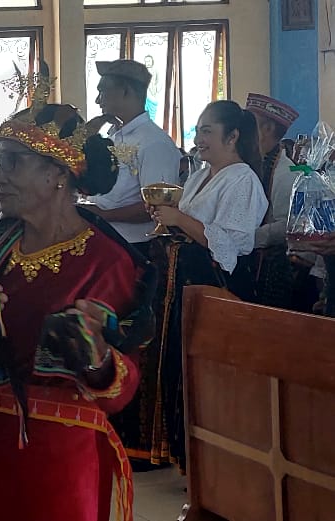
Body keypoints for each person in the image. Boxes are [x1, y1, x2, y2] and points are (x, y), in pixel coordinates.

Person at [0, 98, 155, 521]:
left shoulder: (108, 261)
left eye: (12, 163)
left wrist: (96, 358)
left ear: (57, 173)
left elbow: (124, 386)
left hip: (58, 456)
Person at [118, 100, 268, 470]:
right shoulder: (201, 174)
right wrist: (169, 218)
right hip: (180, 281)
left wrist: (179, 218)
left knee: (206, 374)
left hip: (218, 286)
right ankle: (176, 451)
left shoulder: (243, 179)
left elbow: (231, 244)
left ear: (232, 137)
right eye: (198, 130)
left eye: (207, 131)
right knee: (174, 364)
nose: (199, 139)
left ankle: (213, 461)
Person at [84, 59, 183, 249]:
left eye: (102, 91)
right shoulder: (113, 134)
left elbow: (158, 207)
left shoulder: (154, 142)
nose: (98, 100)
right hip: (105, 238)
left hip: (134, 245)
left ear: (125, 91)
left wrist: (104, 215)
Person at [244, 94, 313, 310]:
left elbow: (288, 225)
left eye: (250, 124)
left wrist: (249, 237)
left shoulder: (285, 174)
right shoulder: (247, 164)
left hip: (269, 267)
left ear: (268, 129)